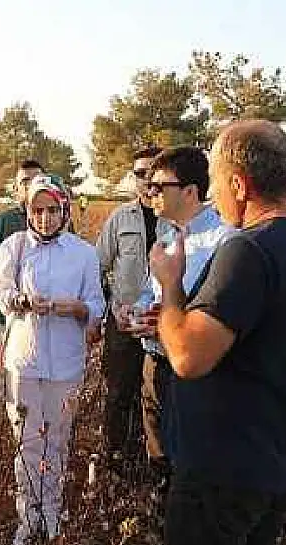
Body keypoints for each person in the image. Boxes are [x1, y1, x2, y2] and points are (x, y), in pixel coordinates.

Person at [149, 121, 286, 545]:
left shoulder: (248, 250)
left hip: (223, 469)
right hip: (276, 457)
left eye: (213, 179)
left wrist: (170, 286)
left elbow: (188, 356)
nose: (210, 193)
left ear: (238, 184)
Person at [0, 174, 105, 545]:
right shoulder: (13, 247)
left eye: (51, 210)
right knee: (26, 441)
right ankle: (28, 517)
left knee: (56, 439)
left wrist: (78, 308)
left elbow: (96, 303)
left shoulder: (83, 253)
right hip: (24, 361)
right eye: (36, 210)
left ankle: (52, 513)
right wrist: (21, 302)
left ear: (65, 211)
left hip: (67, 361)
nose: (44, 218)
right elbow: (0, 290)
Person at [123, 147, 233, 479]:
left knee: (192, 465)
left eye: (159, 187)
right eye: (148, 185)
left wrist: (167, 323)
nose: (149, 192)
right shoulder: (168, 237)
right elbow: (148, 292)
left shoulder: (224, 242)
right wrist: (139, 315)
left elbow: (217, 315)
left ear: (189, 191)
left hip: (193, 372)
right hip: (154, 363)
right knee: (159, 457)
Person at [0, 159, 46, 472]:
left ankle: (28, 448)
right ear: (17, 190)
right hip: (3, 321)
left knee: (30, 383)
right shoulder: (5, 222)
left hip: (38, 324)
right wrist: (6, 288)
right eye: (24, 182)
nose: (30, 187)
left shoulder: (53, 217)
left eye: (35, 180)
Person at [96, 146, 162, 466]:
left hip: (165, 330)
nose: (146, 179)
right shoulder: (120, 219)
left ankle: (154, 464)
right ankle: (118, 464)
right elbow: (97, 267)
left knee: (157, 399)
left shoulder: (176, 221)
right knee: (119, 395)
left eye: (153, 171)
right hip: (123, 326)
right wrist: (112, 305)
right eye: (139, 173)